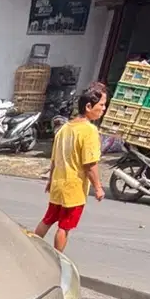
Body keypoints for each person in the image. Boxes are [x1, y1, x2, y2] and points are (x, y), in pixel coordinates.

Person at [34, 86, 107, 253]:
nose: (103, 109)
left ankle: (32, 249)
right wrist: (98, 187)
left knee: (47, 219)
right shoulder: (89, 131)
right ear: (88, 107)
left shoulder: (64, 128)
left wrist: (51, 180)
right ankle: (57, 259)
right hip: (73, 189)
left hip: (58, 185)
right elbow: (89, 164)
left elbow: (54, 160)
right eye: (101, 105)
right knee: (64, 227)